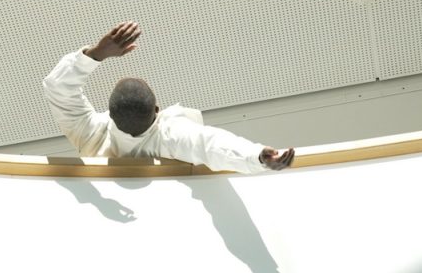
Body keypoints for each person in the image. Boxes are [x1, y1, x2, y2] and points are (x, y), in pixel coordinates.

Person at [42, 21, 295, 173]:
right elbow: (212, 144)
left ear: (110, 114)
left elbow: (58, 87)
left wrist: (97, 53)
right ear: (157, 111)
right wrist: (257, 157)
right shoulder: (169, 136)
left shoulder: (91, 133)